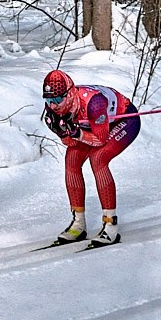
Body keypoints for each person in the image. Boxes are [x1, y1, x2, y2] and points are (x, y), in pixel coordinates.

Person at [41, 68, 139, 245]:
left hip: (123, 120)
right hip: (90, 127)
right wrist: (63, 132)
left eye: (57, 99)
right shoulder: (52, 110)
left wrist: (77, 133)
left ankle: (110, 226)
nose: (53, 105)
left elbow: (100, 140)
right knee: (71, 160)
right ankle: (78, 224)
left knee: (98, 159)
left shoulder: (94, 103)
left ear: (69, 93)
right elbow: (69, 143)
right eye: (49, 100)